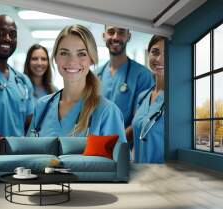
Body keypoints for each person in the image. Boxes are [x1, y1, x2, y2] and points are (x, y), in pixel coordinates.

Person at [27, 24, 126, 141]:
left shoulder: (107, 112)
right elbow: (29, 154)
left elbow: (118, 158)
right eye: (64, 53)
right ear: (55, 58)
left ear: (91, 59)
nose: (72, 61)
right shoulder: (42, 107)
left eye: (81, 54)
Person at [98, 26, 154, 142]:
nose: (115, 37)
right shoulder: (95, 76)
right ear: (104, 36)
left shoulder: (142, 75)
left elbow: (141, 119)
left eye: (121, 32)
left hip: (126, 149)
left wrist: (115, 143)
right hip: (96, 148)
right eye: (111, 32)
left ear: (129, 36)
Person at [131, 35, 165, 163]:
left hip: (163, 178)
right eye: (155, 52)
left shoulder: (177, 99)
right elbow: (138, 139)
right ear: (148, 54)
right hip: (140, 175)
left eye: (166, 53)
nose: (159, 59)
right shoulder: (143, 96)